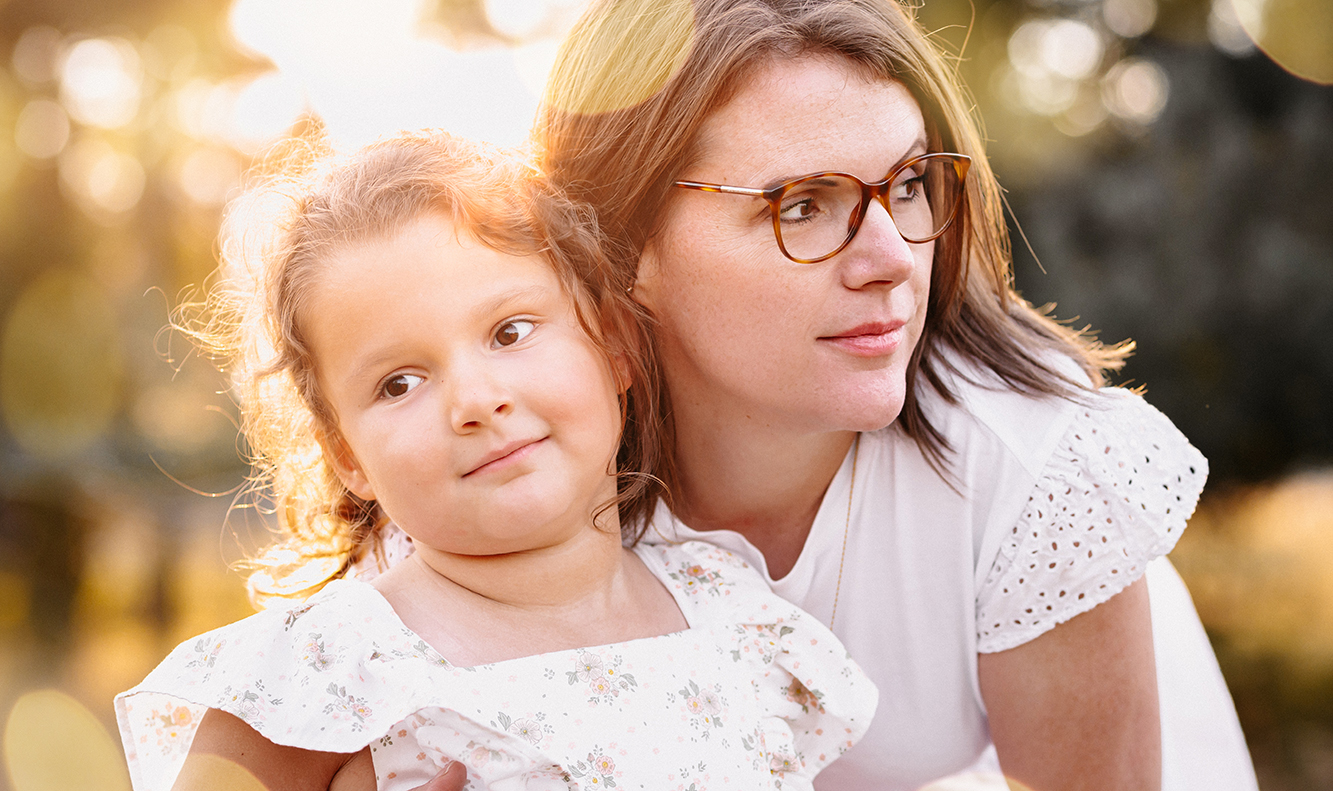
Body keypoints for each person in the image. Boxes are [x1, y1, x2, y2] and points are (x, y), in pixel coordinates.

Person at [515, 1, 1258, 789]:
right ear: (619, 244)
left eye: (906, 183)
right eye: (800, 204)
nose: (893, 258)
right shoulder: (493, 452)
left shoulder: (1034, 469)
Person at [114, 131, 877, 791]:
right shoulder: (326, 668)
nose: (475, 400)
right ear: (348, 454)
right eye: (399, 382)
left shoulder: (734, 614)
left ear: (612, 343)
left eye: (510, 332)